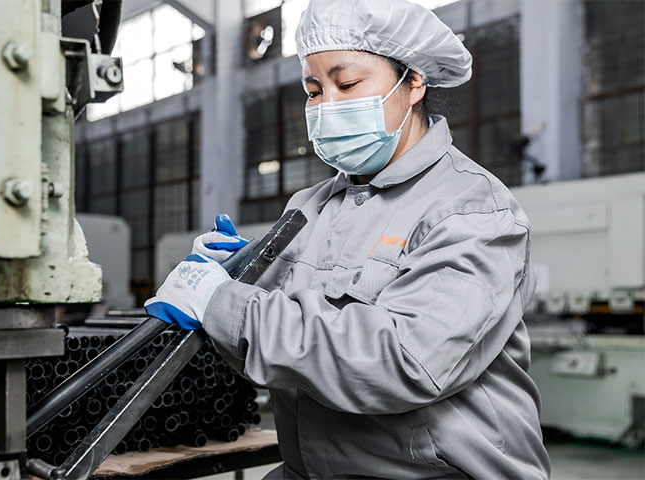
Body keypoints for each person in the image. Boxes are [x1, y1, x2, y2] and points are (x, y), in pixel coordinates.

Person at [145, 0, 551, 478]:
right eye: (314, 90)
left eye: (349, 84)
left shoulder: (472, 209)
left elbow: (405, 363)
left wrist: (226, 304)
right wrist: (230, 281)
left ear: (414, 81)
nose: (328, 105)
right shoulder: (308, 207)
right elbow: (275, 355)